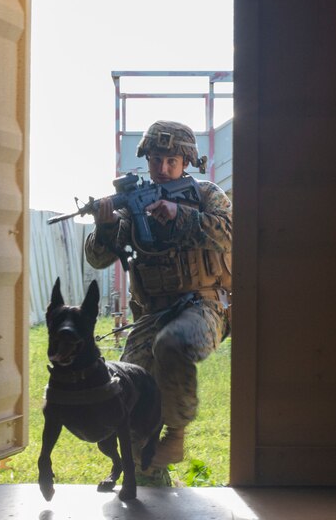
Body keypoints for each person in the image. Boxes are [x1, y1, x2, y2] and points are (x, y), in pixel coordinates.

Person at [84, 120, 232, 472]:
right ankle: (146, 479)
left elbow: (229, 234)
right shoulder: (135, 203)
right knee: (124, 391)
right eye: (156, 160)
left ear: (186, 162)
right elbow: (97, 257)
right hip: (152, 314)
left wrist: (181, 215)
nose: (163, 169)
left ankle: (175, 436)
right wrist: (105, 227)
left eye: (172, 161)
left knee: (172, 344)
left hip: (207, 306)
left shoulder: (206, 194)